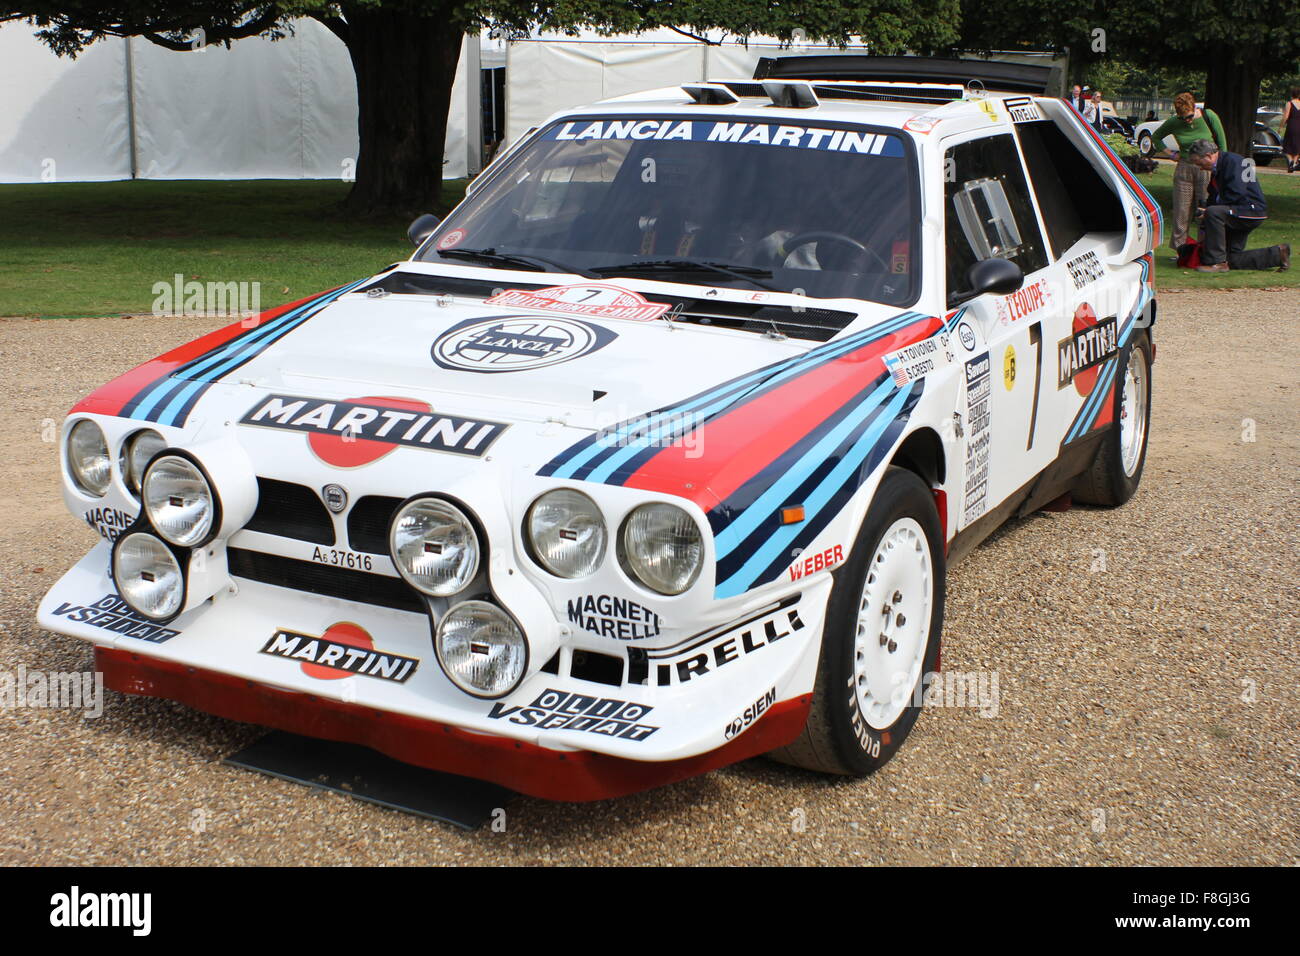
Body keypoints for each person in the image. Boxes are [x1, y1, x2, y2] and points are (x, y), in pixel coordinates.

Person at [1186, 139, 1290, 272]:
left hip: (1250, 210)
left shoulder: (1233, 162)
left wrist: (1209, 210)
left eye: (1199, 163)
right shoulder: (1222, 164)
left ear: (1208, 156)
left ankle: (1216, 263)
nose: (1200, 167)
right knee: (1231, 257)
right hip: (1240, 210)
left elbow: (1237, 193)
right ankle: (1278, 254)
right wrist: (1205, 209)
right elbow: (1214, 193)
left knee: (1213, 213)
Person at [1153, 92, 1227, 254]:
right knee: (1181, 210)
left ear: (1195, 108)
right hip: (1185, 167)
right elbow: (1156, 137)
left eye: (1190, 116)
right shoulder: (1174, 122)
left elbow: (1222, 143)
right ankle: (1181, 250)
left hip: (1206, 168)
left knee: (1205, 209)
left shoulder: (1209, 116)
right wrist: (1171, 154)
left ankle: (1205, 248)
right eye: (1183, 118)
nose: (1187, 120)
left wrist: (1220, 166)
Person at [1282, 86, 1300, 173]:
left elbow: (1286, 116)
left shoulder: (1289, 103)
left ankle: (1290, 161)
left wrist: (1280, 126)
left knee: (1287, 144)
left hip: (1291, 125)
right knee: (1297, 144)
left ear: (1291, 94)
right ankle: (1294, 164)